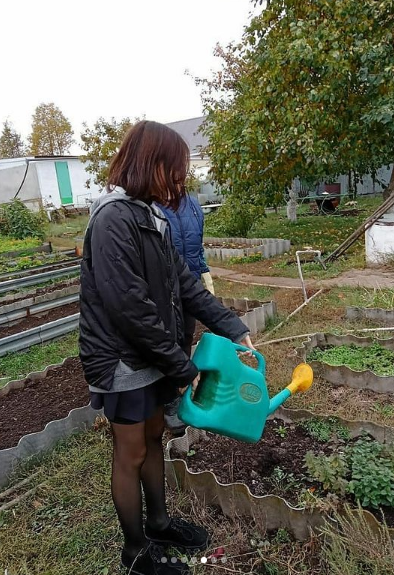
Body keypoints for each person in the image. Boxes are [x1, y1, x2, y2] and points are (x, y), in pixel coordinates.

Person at [79, 120, 254, 575]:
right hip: (121, 360)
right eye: (174, 169)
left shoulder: (152, 218)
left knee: (155, 436)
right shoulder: (112, 219)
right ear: (150, 164)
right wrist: (181, 366)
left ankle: (158, 524)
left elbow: (186, 285)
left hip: (153, 354)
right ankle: (135, 553)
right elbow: (130, 310)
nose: (180, 180)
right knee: (131, 450)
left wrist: (233, 327)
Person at [158, 194, 214, 434]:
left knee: (186, 336)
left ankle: (182, 389)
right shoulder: (151, 206)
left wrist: (204, 272)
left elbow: (196, 246)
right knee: (165, 338)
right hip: (161, 288)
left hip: (188, 283)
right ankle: (169, 399)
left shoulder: (191, 205)